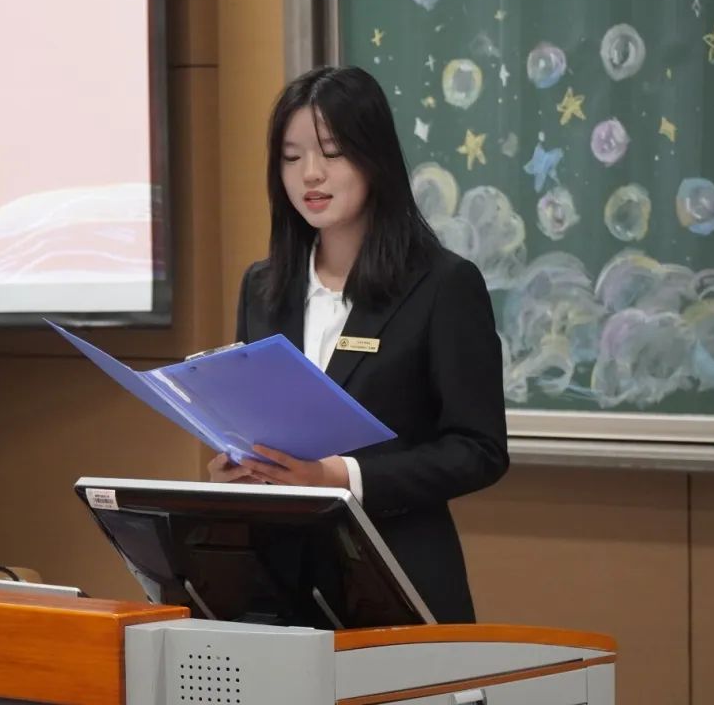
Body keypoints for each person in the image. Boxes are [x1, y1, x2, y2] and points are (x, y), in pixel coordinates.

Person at [208, 66, 508, 624]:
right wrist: (241, 467)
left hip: (397, 584)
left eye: (332, 152)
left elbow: (479, 450)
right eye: (291, 157)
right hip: (279, 590)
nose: (310, 174)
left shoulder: (443, 285)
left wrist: (341, 477)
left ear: (375, 159)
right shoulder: (262, 286)